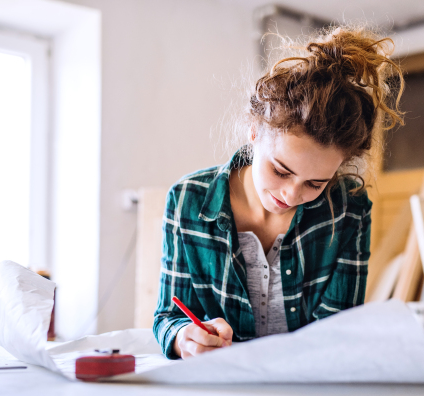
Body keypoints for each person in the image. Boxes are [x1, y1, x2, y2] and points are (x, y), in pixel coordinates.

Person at [154, 26, 404, 359]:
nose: (290, 194)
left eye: (315, 184)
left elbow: (338, 329)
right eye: (281, 170)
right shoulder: (188, 201)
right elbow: (167, 317)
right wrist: (184, 336)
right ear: (254, 131)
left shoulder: (349, 207)